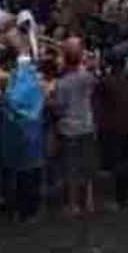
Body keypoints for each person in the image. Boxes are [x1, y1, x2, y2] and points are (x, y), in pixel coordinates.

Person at [52, 37, 98, 216]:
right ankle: (89, 200)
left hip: (69, 129)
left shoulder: (62, 84)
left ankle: (73, 204)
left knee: (71, 168)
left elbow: (59, 107)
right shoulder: (87, 77)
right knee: (87, 166)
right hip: (87, 125)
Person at [0, 47, 45, 221]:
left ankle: (23, 209)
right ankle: (31, 209)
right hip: (34, 132)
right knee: (32, 172)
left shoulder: (15, 83)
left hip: (18, 134)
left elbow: (12, 101)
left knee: (22, 175)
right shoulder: (33, 80)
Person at [95, 52, 128, 209]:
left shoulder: (105, 82)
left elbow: (100, 106)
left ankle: (121, 197)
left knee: (119, 161)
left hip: (114, 127)